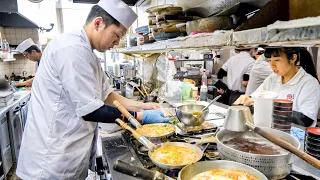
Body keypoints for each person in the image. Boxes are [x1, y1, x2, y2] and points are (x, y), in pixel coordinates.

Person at [16, 0, 169, 179]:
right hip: (51, 161)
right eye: (117, 35)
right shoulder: (71, 49)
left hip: (70, 155)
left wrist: (143, 107)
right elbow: (92, 111)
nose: (117, 42)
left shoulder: (89, 54)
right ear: (98, 23)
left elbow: (108, 96)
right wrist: (139, 117)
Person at [235, 47, 320, 127]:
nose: (272, 65)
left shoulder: (309, 83)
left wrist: (266, 106)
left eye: (277, 60)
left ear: (293, 58)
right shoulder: (273, 78)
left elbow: (305, 120)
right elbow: (257, 97)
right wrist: (247, 99)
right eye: (269, 60)